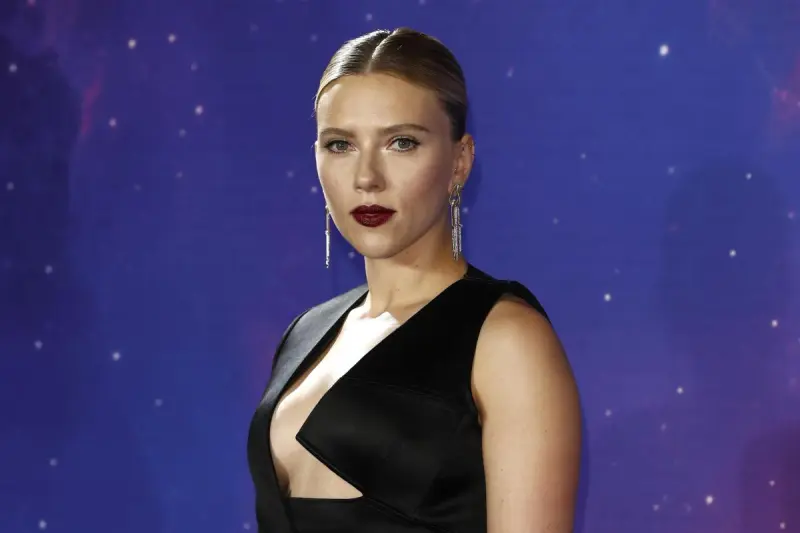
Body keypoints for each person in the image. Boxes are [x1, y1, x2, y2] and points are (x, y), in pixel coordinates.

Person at [247, 27, 582, 533]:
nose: (367, 177)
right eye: (340, 144)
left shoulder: (505, 339)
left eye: (401, 143)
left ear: (460, 161)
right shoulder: (306, 333)